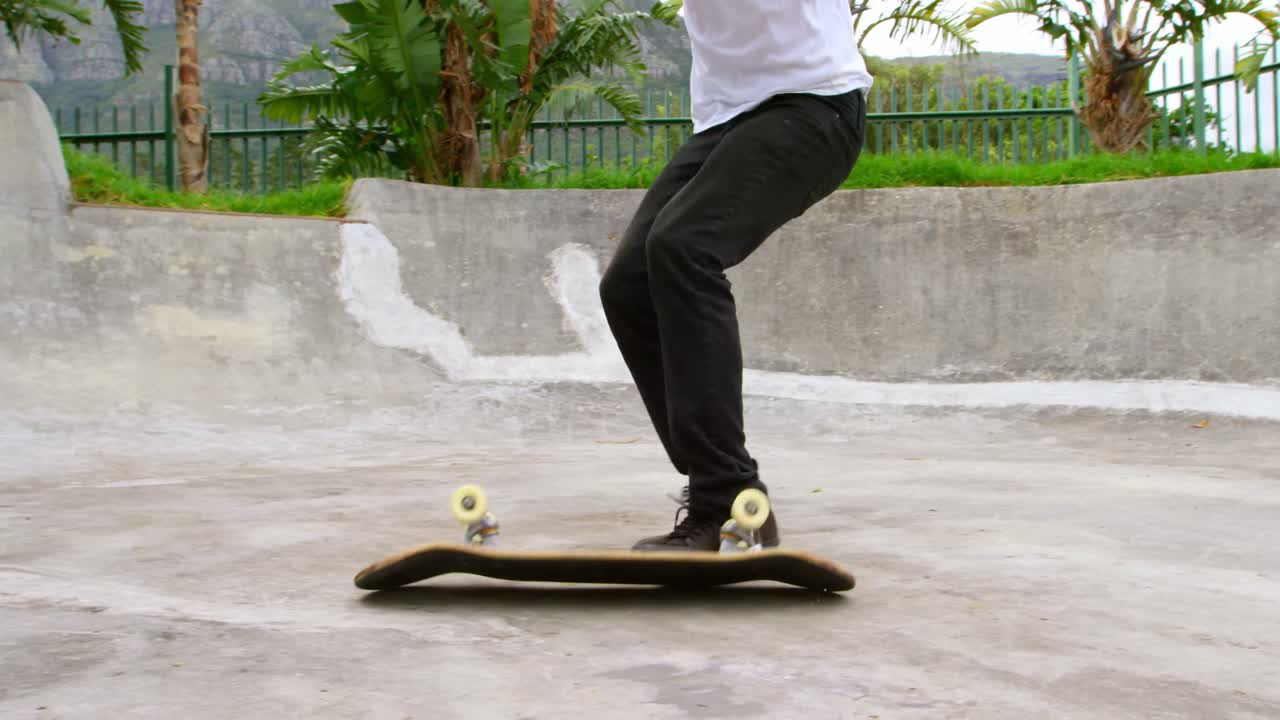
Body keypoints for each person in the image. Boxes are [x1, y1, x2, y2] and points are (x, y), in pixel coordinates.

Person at [599, 0, 873, 551]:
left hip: (815, 105)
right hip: (727, 121)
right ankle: (719, 479)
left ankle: (725, 499)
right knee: (629, 285)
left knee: (685, 246)